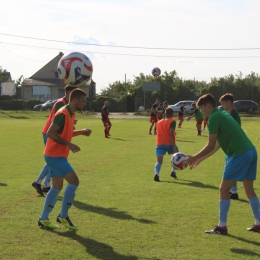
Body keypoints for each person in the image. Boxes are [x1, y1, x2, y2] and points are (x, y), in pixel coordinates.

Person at [184, 93, 260, 235]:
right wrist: (199, 159)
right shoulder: (222, 114)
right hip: (251, 151)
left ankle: (222, 226)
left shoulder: (214, 117)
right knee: (248, 189)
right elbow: (216, 145)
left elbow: (210, 144)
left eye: (201, 108)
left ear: (208, 105)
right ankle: (259, 223)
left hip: (240, 153)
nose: (201, 111)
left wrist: (193, 157)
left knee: (224, 189)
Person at [38, 88, 92, 229]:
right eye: (83, 101)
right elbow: (50, 133)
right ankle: (63, 216)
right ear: (75, 100)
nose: (84, 104)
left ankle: (44, 219)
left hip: (56, 155)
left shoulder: (71, 113)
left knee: (57, 186)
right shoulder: (63, 113)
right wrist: (68, 144)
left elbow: (65, 133)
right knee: (74, 181)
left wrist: (80, 132)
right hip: (55, 155)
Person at [32, 85, 76, 195]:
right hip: (50, 133)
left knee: (53, 158)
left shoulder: (68, 104)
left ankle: (44, 183)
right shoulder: (61, 103)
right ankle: (41, 182)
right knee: (53, 158)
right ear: (69, 92)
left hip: (54, 133)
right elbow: (56, 121)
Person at [219, 93, 241, 200]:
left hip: (234, 146)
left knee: (231, 169)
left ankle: (233, 192)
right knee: (229, 168)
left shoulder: (233, 115)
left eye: (223, 103)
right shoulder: (232, 113)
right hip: (231, 146)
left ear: (229, 102)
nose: (222, 106)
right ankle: (233, 191)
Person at [154, 107, 178, 182]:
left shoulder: (159, 122)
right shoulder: (172, 122)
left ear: (165, 113)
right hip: (169, 144)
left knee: (159, 162)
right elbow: (171, 134)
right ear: (172, 114)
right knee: (177, 156)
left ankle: (156, 173)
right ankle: (173, 171)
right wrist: (174, 146)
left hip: (159, 144)